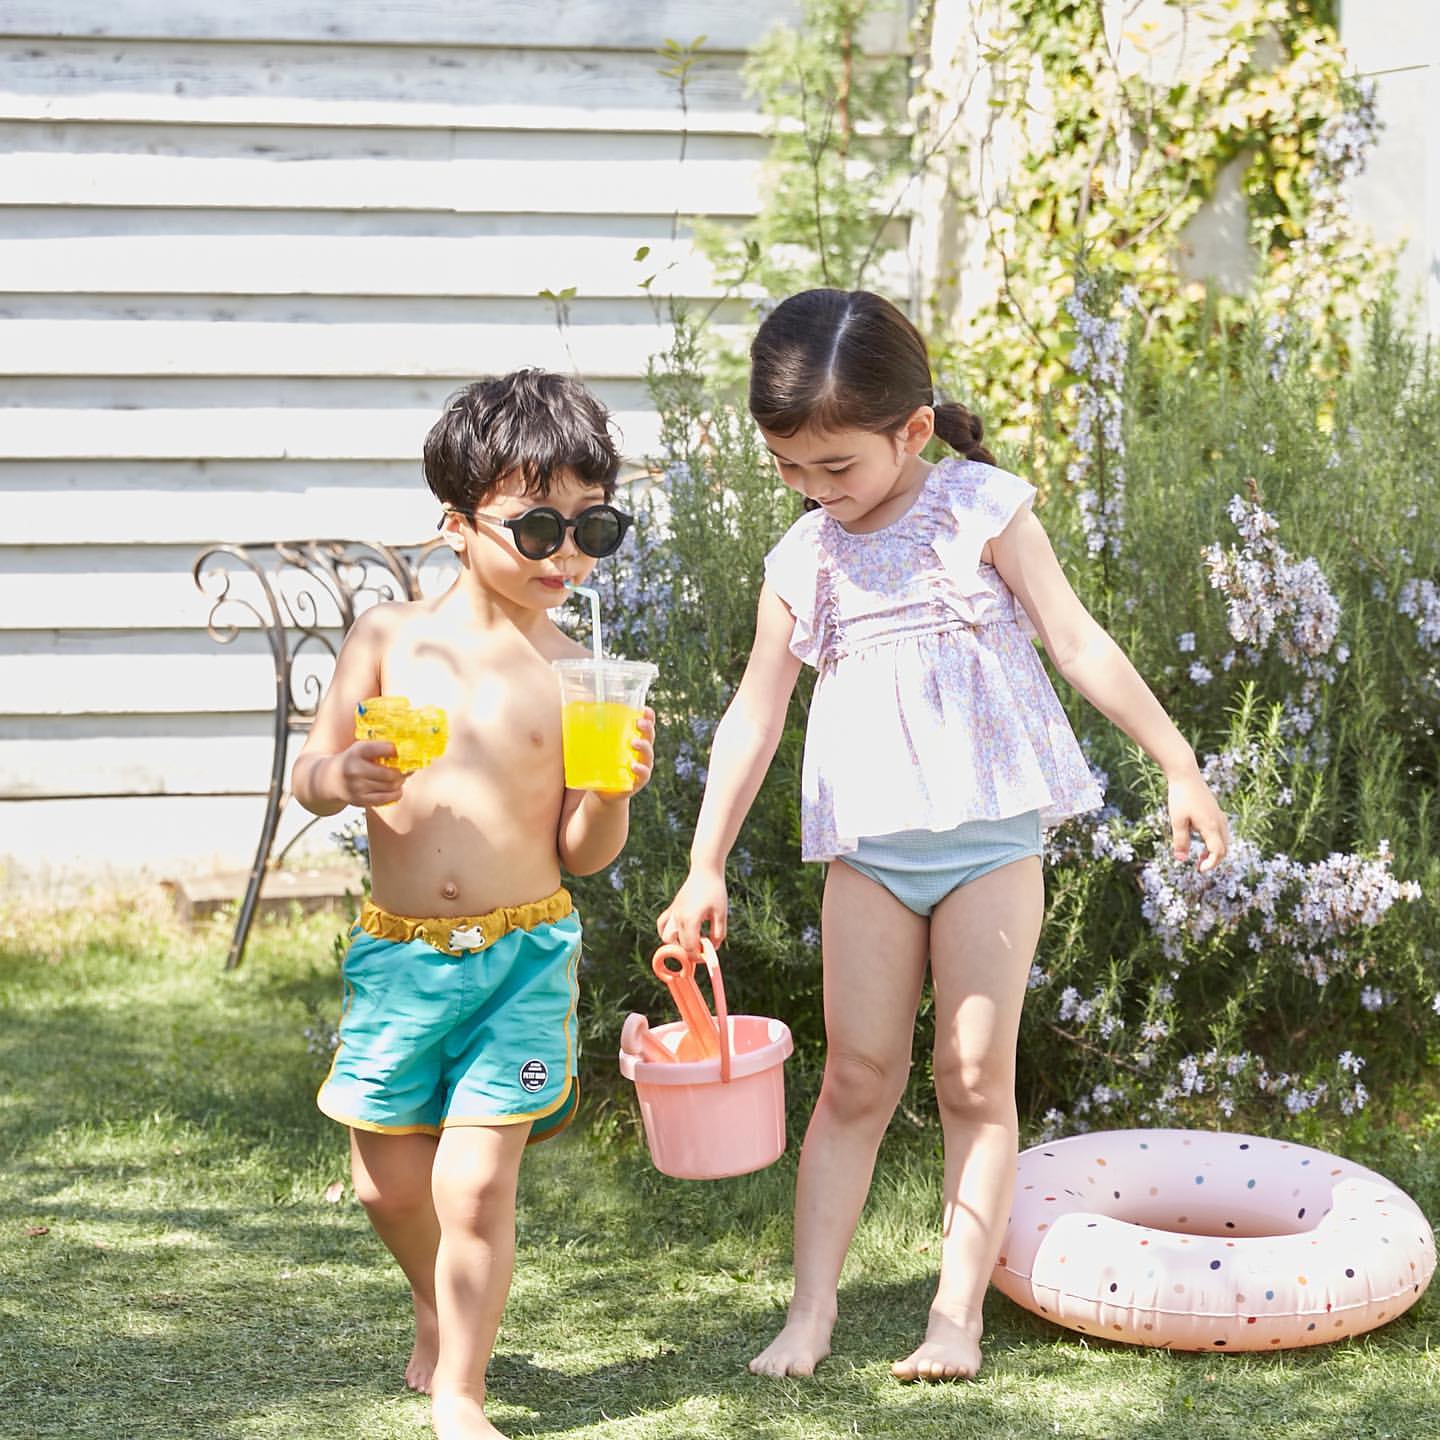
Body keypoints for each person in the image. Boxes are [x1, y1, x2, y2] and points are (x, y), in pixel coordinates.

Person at [658, 289, 1229, 1384]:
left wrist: (1178, 762)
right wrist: (703, 862)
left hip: (990, 842)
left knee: (974, 1078)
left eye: (837, 468)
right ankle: (811, 1313)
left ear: (911, 430)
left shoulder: (983, 510)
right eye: (789, 468)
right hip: (871, 853)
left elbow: (1077, 642)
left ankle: (954, 1319)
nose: (815, 490)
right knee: (858, 1079)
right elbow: (754, 715)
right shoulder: (803, 559)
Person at [292, 370, 655, 1440]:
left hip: (524, 958)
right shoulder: (386, 640)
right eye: (538, 526)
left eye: (594, 527)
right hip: (400, 957)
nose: (568, 555)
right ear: (456, 524)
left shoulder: (576, 671)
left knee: (474, 1186)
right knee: (385, 1186)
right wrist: (342, 778)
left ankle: (462, 1390)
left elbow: (584, 855)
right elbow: (309, 775)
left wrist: (611, 788)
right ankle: (434, 1301)